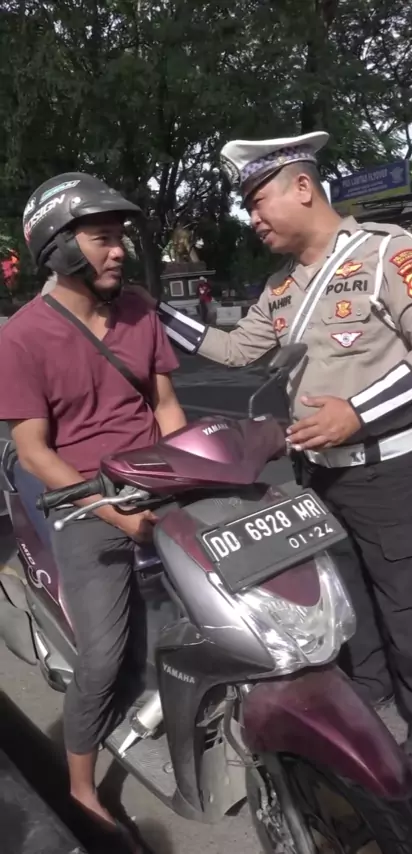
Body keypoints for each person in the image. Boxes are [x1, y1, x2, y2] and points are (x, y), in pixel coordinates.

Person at [151, 132, 412, 782]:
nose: (253, 217)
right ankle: (371, 695)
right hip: (320, 475)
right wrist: (151, 313)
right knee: (348, 600)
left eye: (258, 201)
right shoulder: (282, 285)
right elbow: (236, 350)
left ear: (302, 187)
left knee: (409, 607)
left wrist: (355, 412)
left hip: (386, 470)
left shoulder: (387, 253)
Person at [0, 173, 186, 847]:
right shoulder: (23, 337)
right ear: (59, 247)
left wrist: (184, 475)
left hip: (157, 482)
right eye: (102, 238)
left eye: (120, 238)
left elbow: (165, 405)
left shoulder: (138, 309)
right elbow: (33, 452)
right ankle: (81, 786)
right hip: (83, 503)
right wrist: (114, 513)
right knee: (102, 659)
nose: (118, 251)